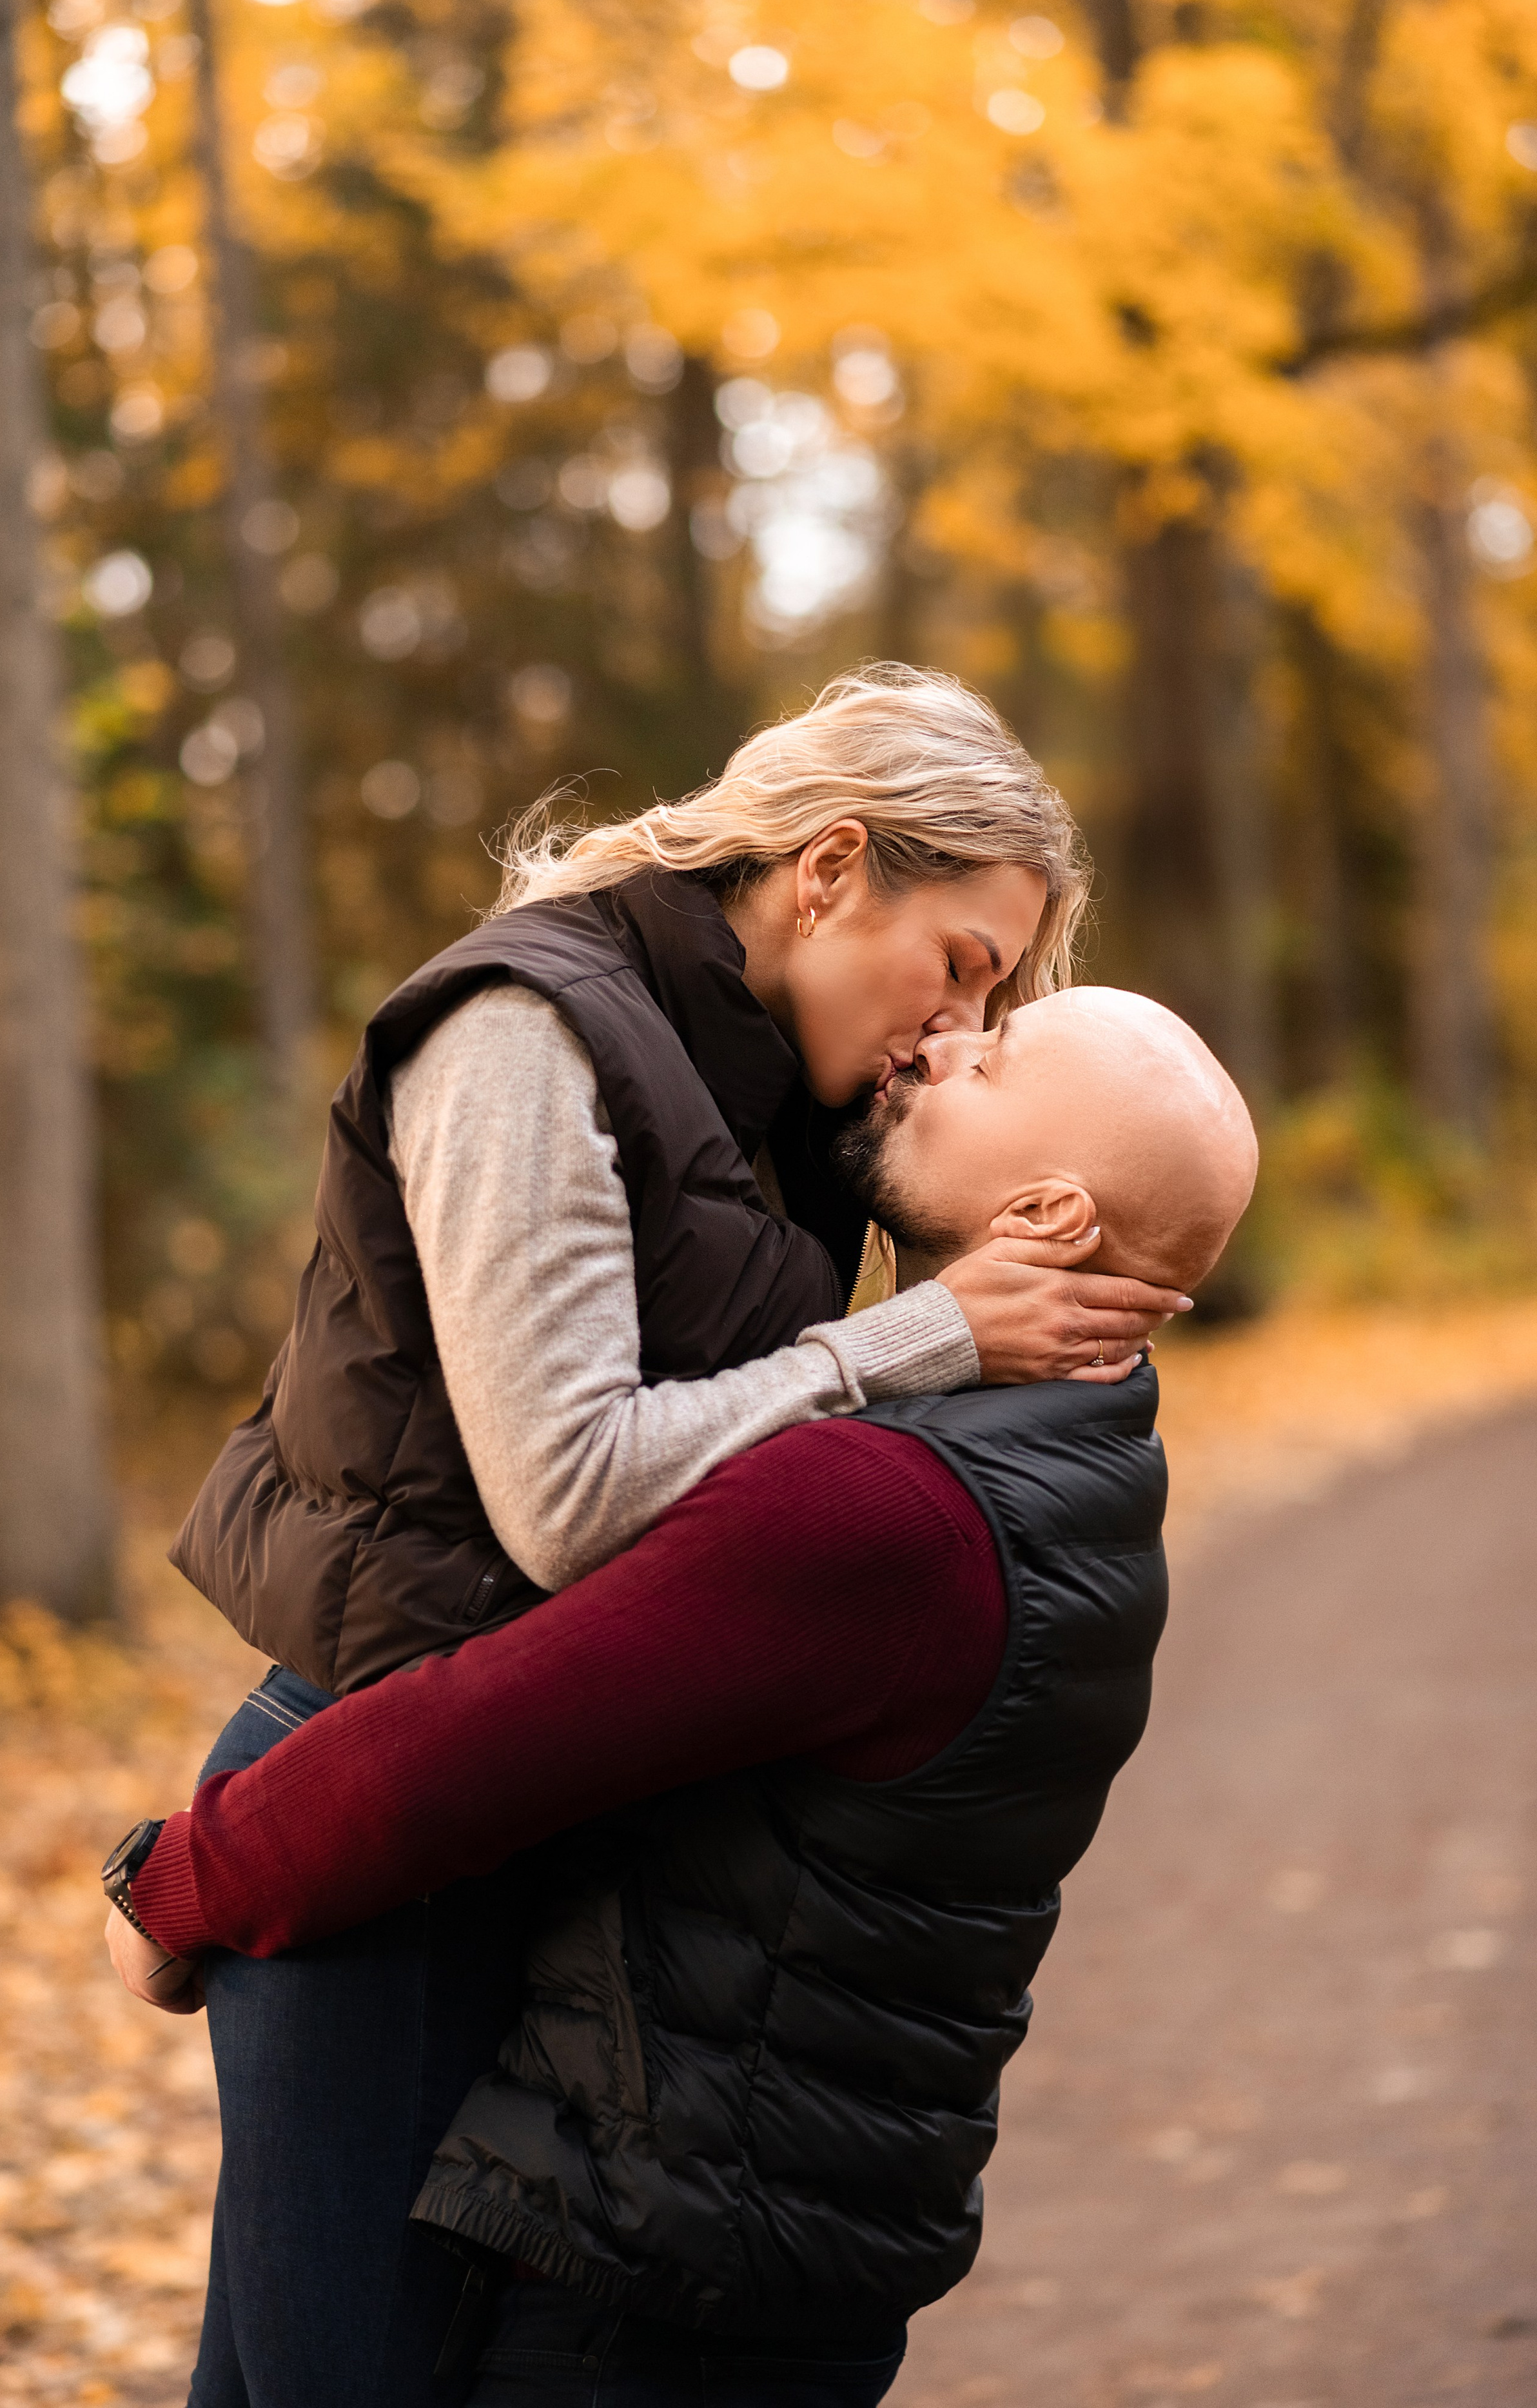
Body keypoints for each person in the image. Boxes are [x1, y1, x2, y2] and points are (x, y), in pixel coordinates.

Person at [107, 988, 1257, 2408]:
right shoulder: (1091, 1456)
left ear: (1048, 1215)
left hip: (651, 2293)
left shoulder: (884, 1511)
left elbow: (480, 1737)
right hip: (784, 2245)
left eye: (992, 1056)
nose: (940, 1040)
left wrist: (180, 1884)